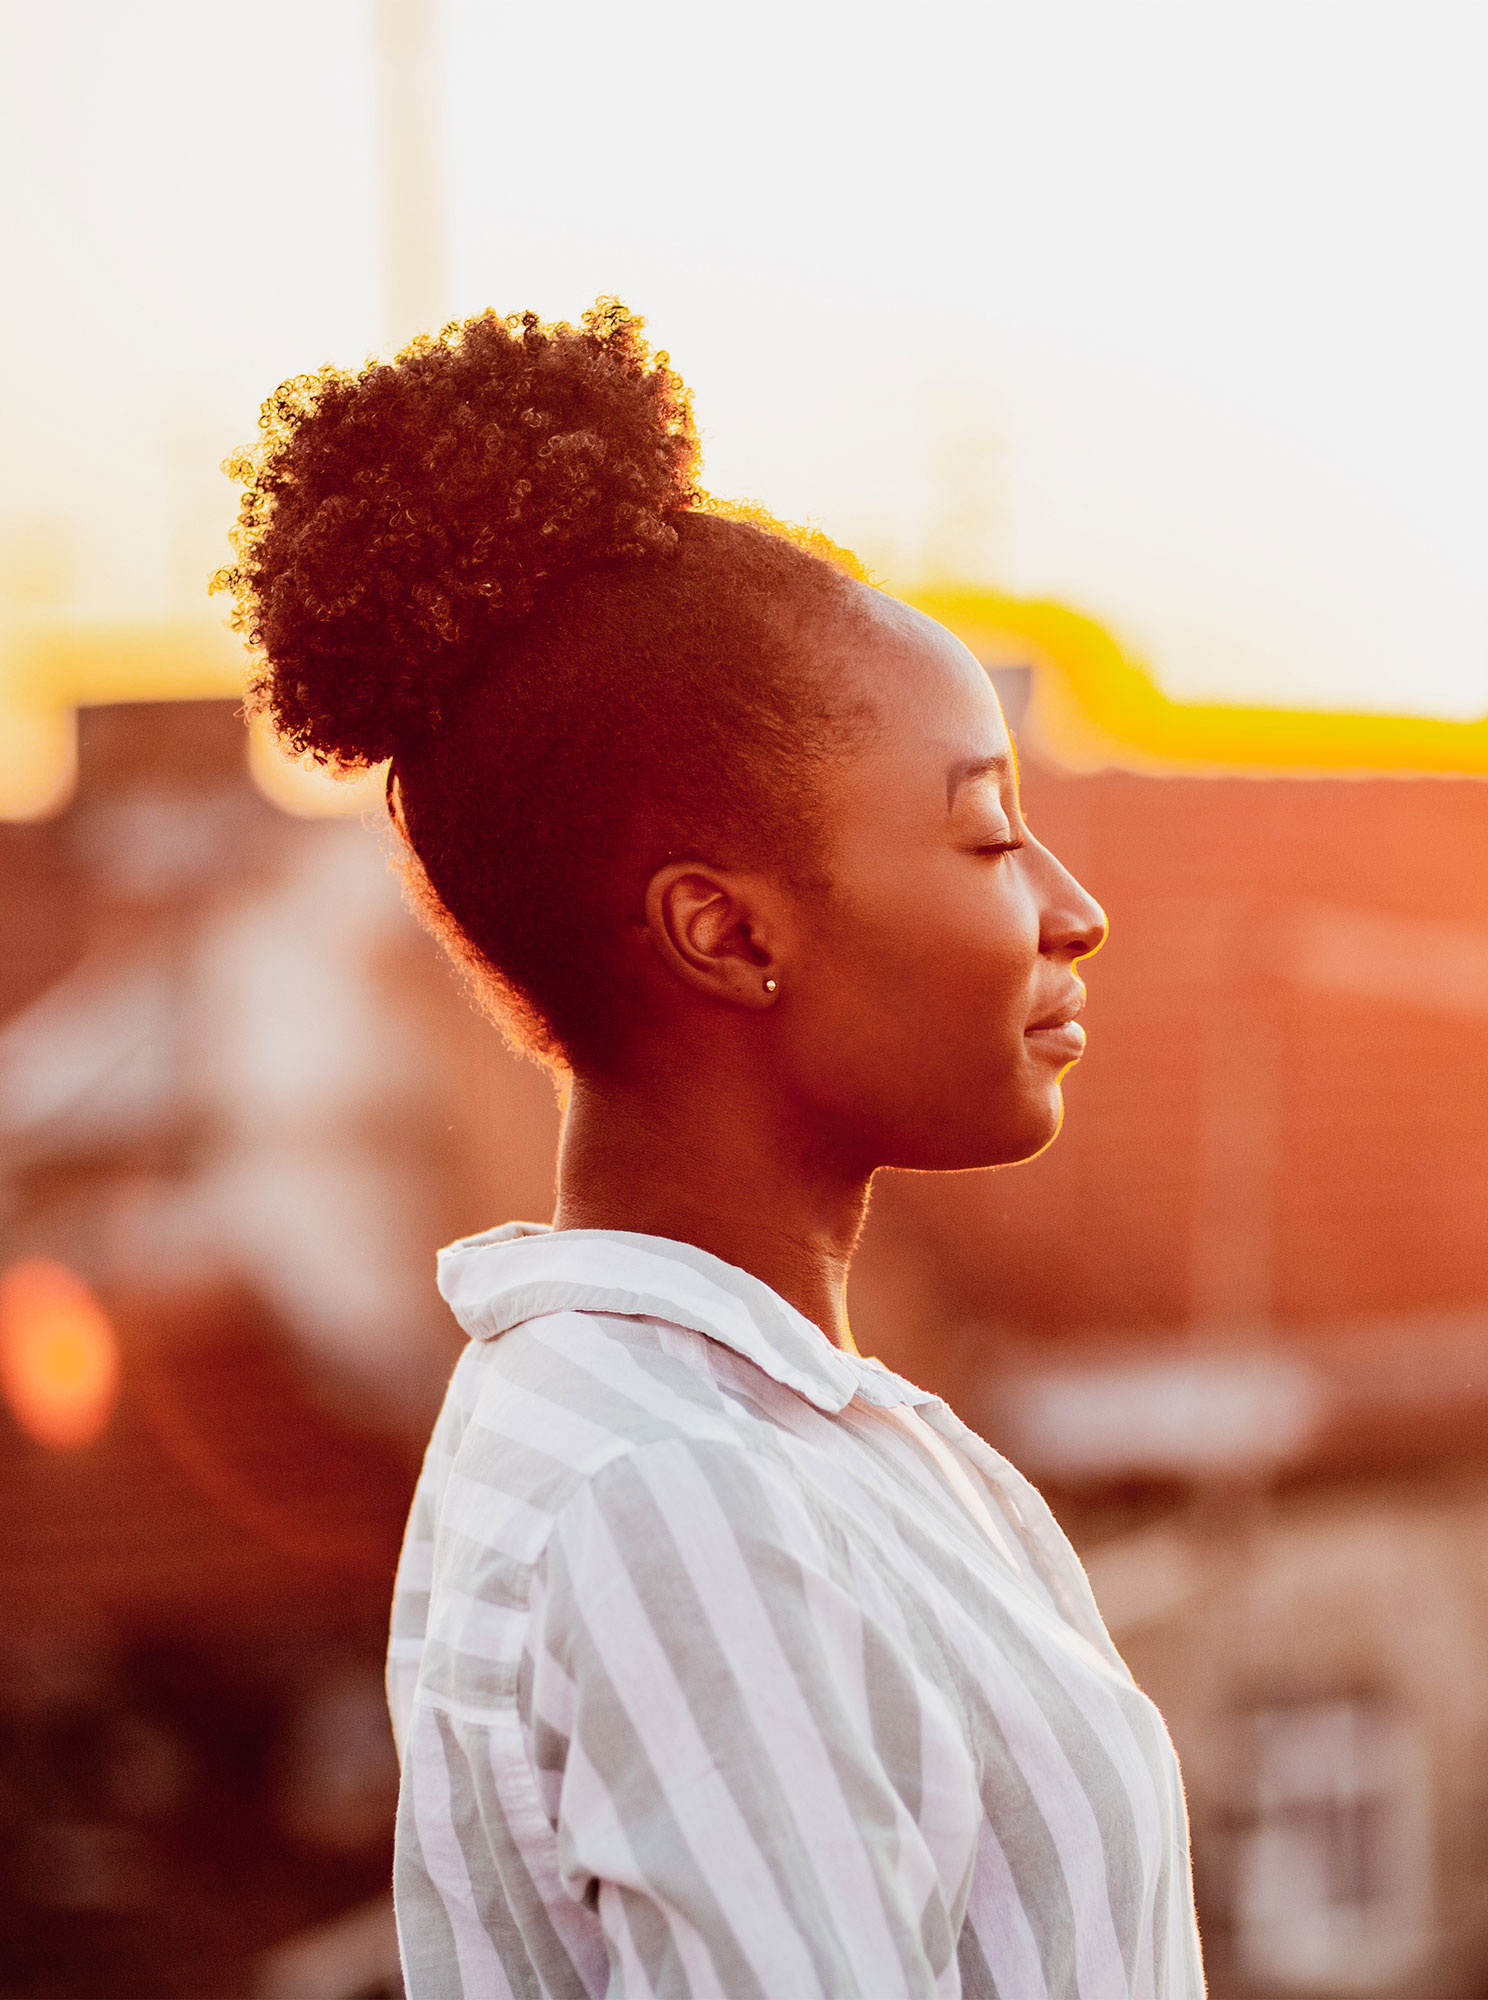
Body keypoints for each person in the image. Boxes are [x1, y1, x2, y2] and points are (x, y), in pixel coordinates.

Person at [218, 300, 1205, 1999]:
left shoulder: (797, 1442)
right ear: (726, 935)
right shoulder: (677, 1493)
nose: (1074, 910)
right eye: (984, 831)